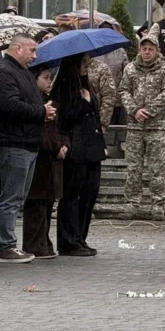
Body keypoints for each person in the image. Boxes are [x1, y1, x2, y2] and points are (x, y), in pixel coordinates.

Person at [0, 33, 55, 264]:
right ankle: (5, 245)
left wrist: (43, 109)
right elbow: (9, 105)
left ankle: (7, 243)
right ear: (18, 48)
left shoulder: (22, 72)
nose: (35, 55)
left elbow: (27, 102)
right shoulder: (5, 71)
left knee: (17, 197)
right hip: (14, 143)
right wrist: (41, 112)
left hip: (29, 143)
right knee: (10, 198)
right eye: (32, 50)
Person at [118, 29, 165, 221]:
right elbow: (123, 90)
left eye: (151, 49)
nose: (147, 52)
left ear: (157, 51)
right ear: (140, 50)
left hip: (156, 127)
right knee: (133, 168)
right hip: (134, 127)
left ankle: (158, 205)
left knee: (156, 169)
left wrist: (148, 110)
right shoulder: (130, 69)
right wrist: (134, 110)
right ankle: (132, 204)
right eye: (144, 48)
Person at [52, 54, 106, 256]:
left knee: (89, 194)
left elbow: (96, 115)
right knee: (72, 195)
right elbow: (65, 117)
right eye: (83, 62)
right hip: (75, 146)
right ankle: (68, 240)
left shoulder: (86, 86)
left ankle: (80, 237)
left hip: (92, 146)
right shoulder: (63, 87)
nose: (87, 66)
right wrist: (84, 103)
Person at [22, 68, 68, 259]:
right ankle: (34, 243)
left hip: (52, 161)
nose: (49, 81)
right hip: (40, 158)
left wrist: (64, 145)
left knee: (47, 203)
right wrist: (56, 146)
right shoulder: (33, 104)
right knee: (37, 203)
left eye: (50, 78)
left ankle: (44, 241)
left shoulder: (49, 103)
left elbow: (59, 129)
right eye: (45, 78)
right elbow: (40, 133)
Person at [86, 56, 116, 133]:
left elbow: (109, 96)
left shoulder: (101, 68)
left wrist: (102, 124)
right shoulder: (67, 68)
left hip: (93, 122)